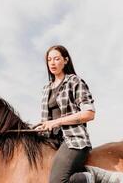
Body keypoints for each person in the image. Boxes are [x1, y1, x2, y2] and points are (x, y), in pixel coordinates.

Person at [35, 45, 95, 183]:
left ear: (66, 60)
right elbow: (47, 119)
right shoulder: (46, 88)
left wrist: (57, 122)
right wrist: (42, 126)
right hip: (51, 140)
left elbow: (89, 113)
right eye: (49, 60)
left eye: (56, 59)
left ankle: (88, 177)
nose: (52, 63)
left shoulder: (74, 81)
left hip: (73, 140)